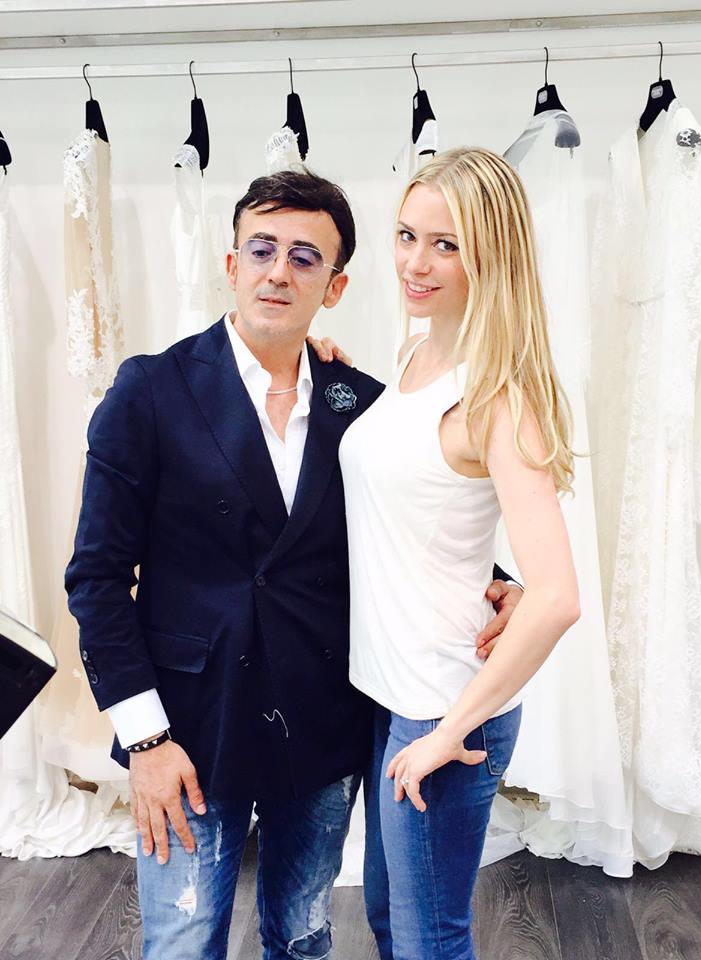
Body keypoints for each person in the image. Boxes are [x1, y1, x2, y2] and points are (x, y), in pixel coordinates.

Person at [64, 168, 523, 960]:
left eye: (305, 258)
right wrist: (144, 741)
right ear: (231, 263)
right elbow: (97, 578)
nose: (279, 271)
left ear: (335, 286)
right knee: (181, 943)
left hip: (318, 725)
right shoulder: (150, 390)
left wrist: (497, 578)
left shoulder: (362, 403)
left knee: (303, 936)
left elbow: (414, 512)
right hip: (187, 731)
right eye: (262, 249)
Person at [339, 147, 580, 960]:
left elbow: (559, 597)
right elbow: (418, 503)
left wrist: (450, 731)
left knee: (429, 941)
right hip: (386, 689)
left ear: (489, 257)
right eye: (408, 235)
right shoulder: (413, 357)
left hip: (441, 705)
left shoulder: (498, 398)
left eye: (445, 245)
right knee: (386, 917)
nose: (415, 262)